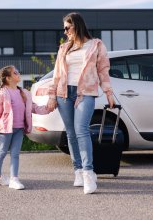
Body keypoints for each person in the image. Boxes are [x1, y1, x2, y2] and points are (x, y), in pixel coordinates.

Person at [47, 12, 116, 194]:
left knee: (82, 130)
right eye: (63, 28)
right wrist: (52, 95)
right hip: (64, 94)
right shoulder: (64, 48)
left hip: (85, 92)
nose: (65, 31)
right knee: (71, 133)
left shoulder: (96, 45)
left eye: (67, 27)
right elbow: (57, 75)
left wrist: (109, 93)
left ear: (76, 25)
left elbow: (103, 70)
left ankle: (88, 173)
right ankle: (77, 170)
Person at [0, 65, 50, 190]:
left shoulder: (24, 93)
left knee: (15, 154)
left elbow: (33, 107)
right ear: (8, 78)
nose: (18, 73)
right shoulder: (2, 94)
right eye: (15, 72)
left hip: (19, 128)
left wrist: (48, 108)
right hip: (5, 129)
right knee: (2, 152)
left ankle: (14, 179)